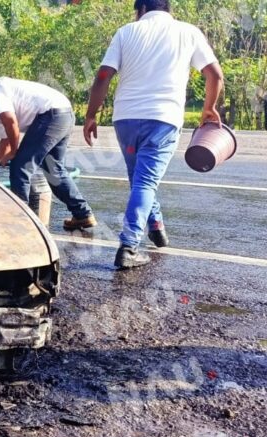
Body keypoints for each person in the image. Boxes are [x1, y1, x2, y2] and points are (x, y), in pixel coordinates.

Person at [84, 0, 224, 270]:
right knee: (145, 182)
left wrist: (91, 115)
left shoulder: (126, 31)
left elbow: (103, 75)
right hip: (163, 119)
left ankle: (156, 226)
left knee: (140, 179)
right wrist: (208, 108)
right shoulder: (188, 32)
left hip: (125, 120)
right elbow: (214, 74)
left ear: (142, 9)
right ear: (167, 9)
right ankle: (128, 246)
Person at [0, 72, 96, 231]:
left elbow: (11, 124)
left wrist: (14, 153)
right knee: (54, 169)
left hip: (50, 114)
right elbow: (6, 140)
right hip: (63, 112)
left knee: (20, 166)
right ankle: (83, 214)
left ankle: (22, 222)